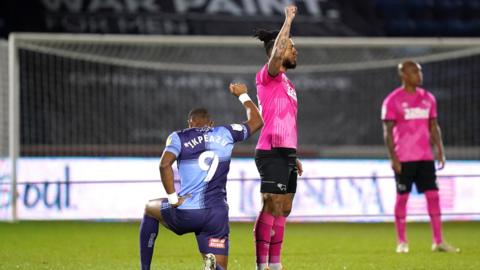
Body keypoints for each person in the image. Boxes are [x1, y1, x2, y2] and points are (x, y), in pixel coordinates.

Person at [139, 83, 263, 270]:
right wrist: (243, 95)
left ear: (189, 123)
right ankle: (212, 267)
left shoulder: (179, 137)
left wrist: (173, 199)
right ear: (211, 123)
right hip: (217, 215)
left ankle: (145, 269)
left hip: (188, 212)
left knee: (150, 208)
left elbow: (164, 164)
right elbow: (257, 121)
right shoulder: (226, 133)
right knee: (219, 267)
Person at [382, 60, 459, 253]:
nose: (419, 74)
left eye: (420, 71)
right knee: (402, 199)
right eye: (415, 71)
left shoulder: (429, 98)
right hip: (404, 159)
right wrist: (393, 158)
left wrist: (440, 151)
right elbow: (388, 132)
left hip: (425, 158)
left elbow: (434, 126)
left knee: (433, 197)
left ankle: (438, 241)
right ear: (404, 75)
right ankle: (402, 242)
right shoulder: (392, 100)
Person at [252, 5, 303, 270]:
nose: (295, 50)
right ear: (278, 51)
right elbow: (277, 50)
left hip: (287, 151)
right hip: (270, 150)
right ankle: (262, 265)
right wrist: (288, 20)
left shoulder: (289, 85)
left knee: (284, 208)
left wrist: (295, 154)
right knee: (271, 204)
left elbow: (288, 121)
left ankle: (275, 264)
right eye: (291, 46)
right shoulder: (267, 77)